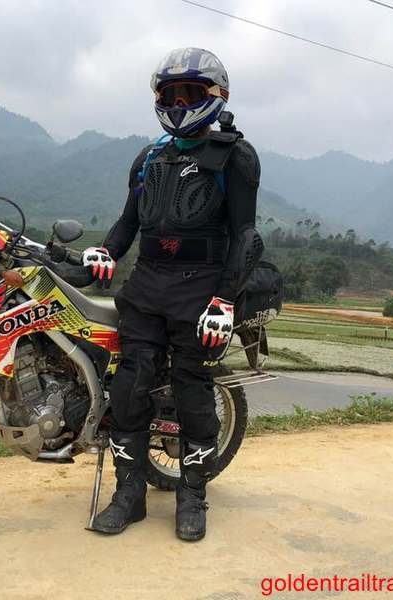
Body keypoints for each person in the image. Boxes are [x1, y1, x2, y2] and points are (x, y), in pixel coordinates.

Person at [82, 47, 262, 541]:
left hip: (201, 288)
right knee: (129, 389)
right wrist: (107, 251)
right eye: (170, 95)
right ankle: (129, 496)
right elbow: (129, 221)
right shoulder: (150, 156)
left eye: (190, 94)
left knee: (193, 394)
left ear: (216, 95)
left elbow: (245, 236)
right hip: (146, 285)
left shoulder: (236, 156)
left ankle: (192, 497)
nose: (179, 104)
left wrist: (225, 300)